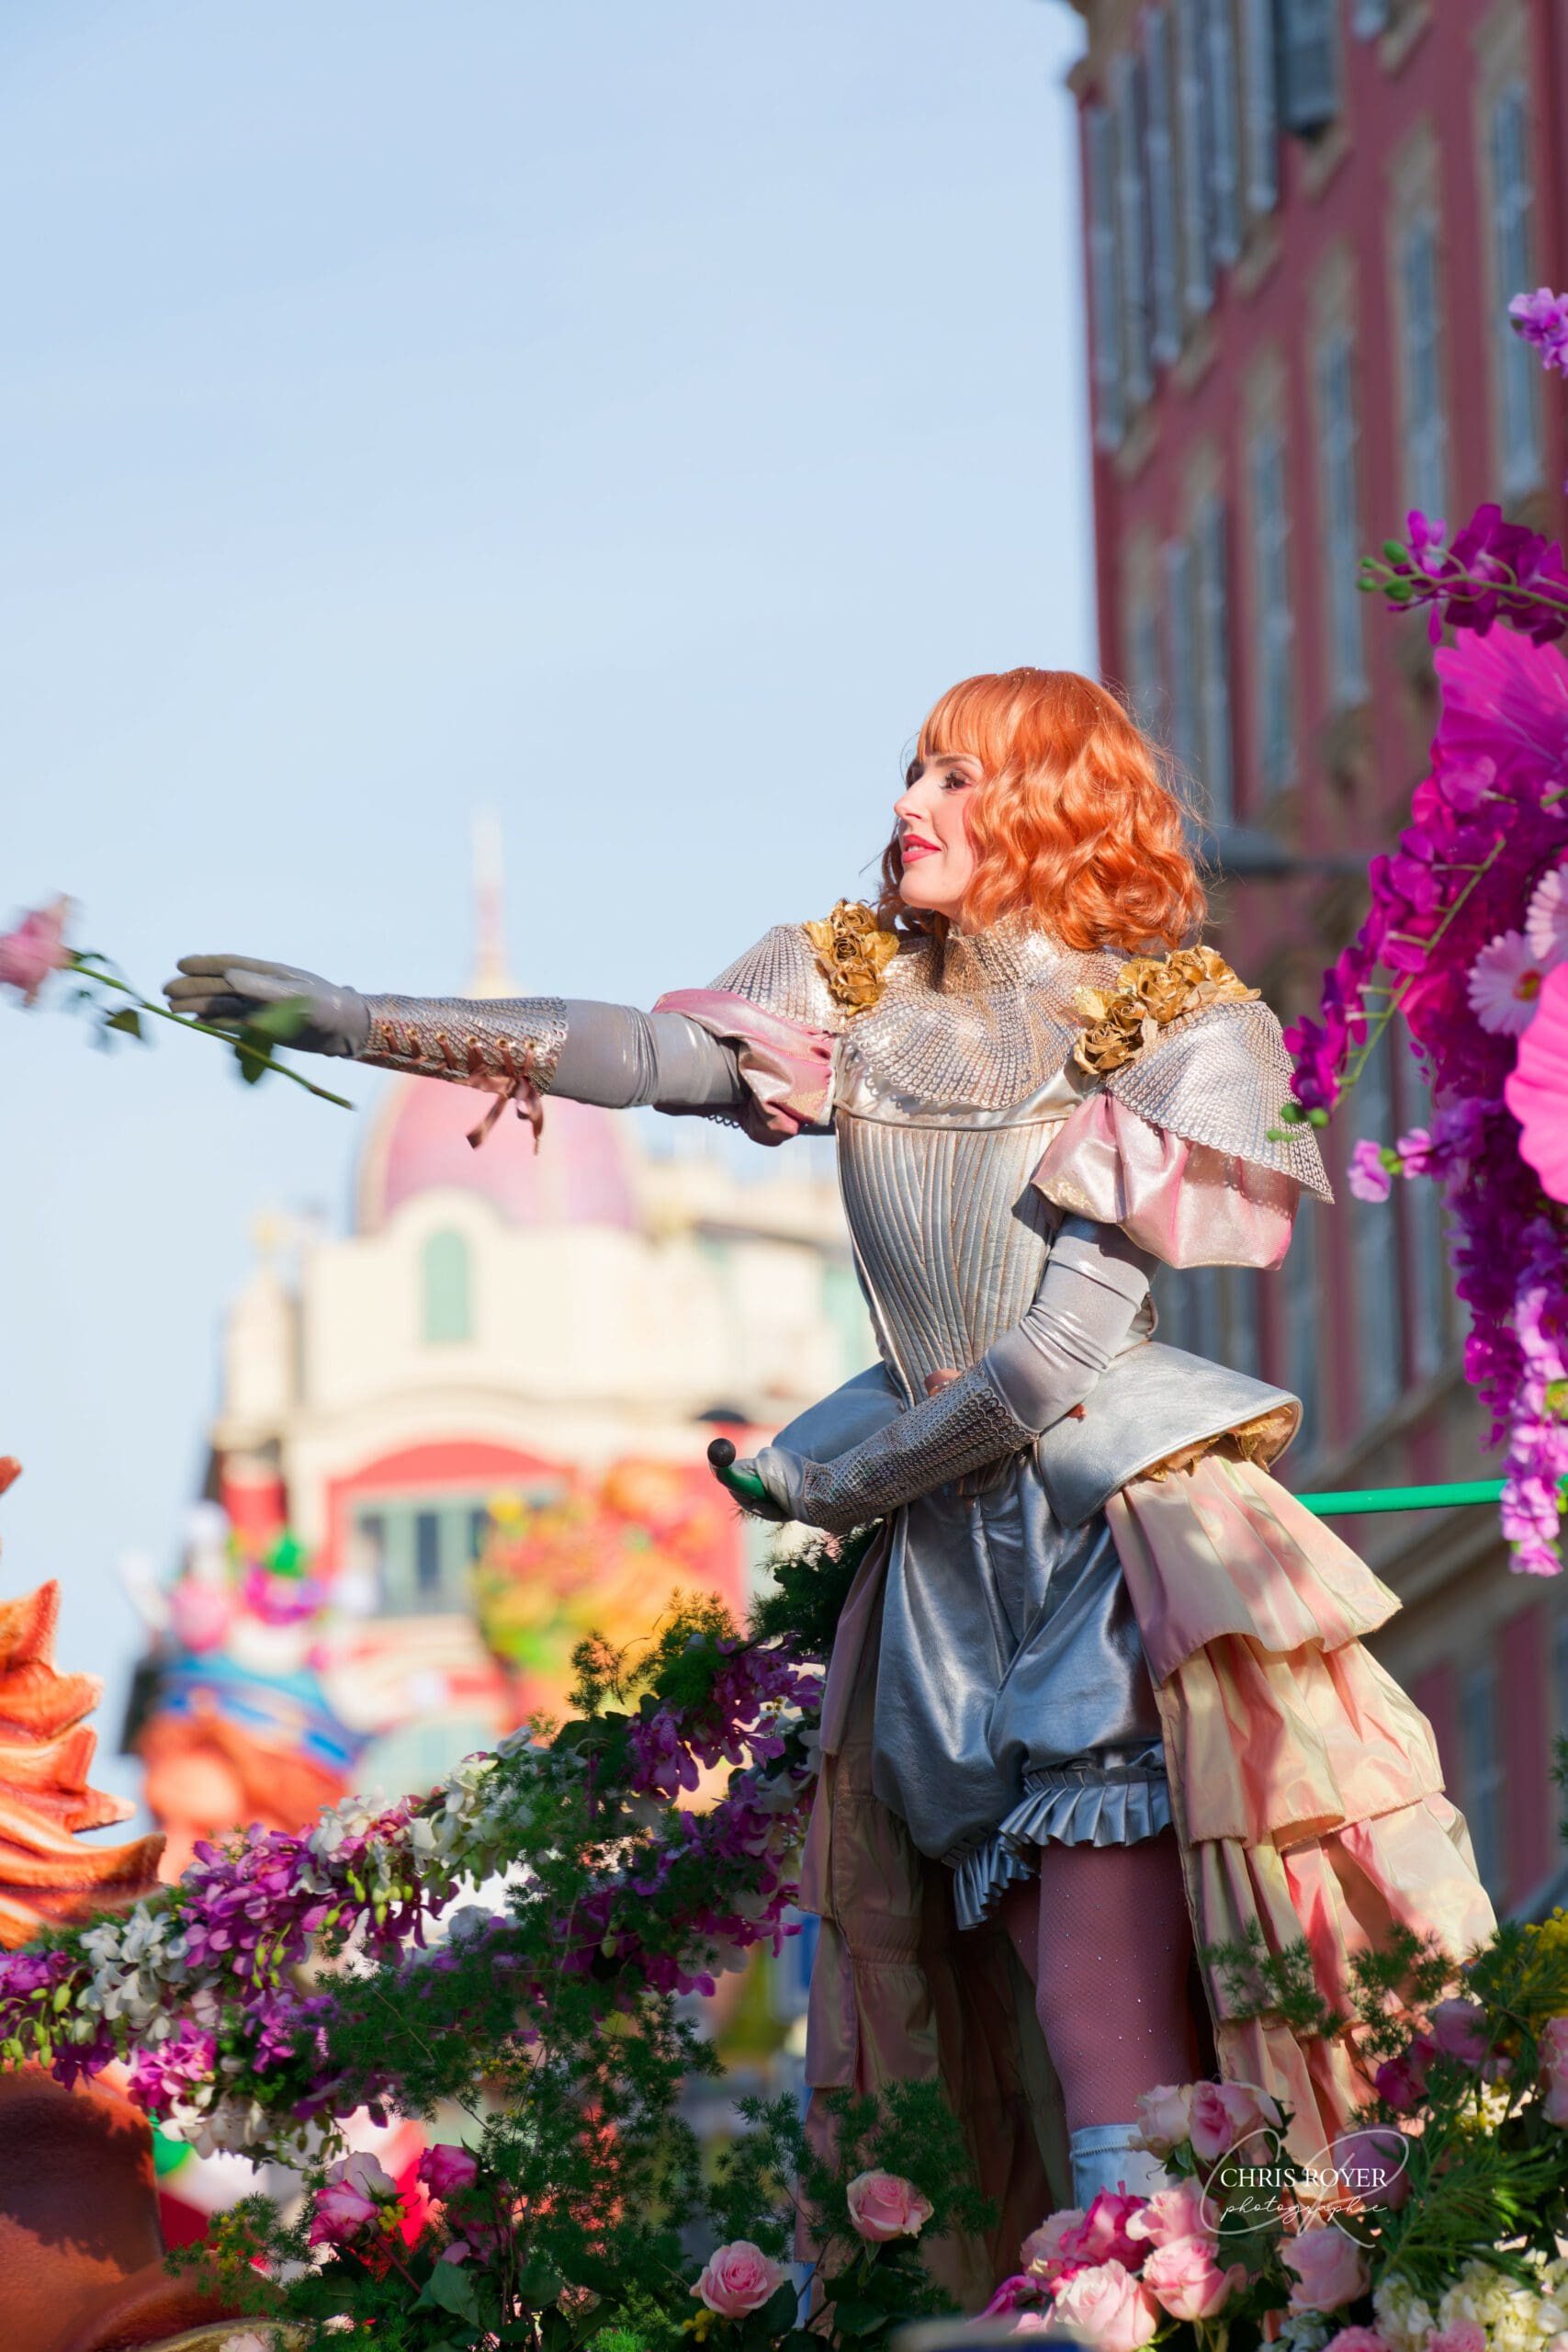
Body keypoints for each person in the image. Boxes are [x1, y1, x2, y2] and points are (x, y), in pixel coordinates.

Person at [167, 668, 1495, 2278]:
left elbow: (1058, 1358)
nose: (908, 808)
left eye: (954, 778)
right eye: (911, 773)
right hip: (946, 1574)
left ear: (1052, 807)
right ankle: (1233, 2280)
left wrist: (836, 1491)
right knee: (1041, 2017)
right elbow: (637, 1053)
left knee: (1118, 2014)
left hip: (1105, 1544)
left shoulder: (1167, 1028)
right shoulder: (854, 990)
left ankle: (1253, 2286)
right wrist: (363, 1025)